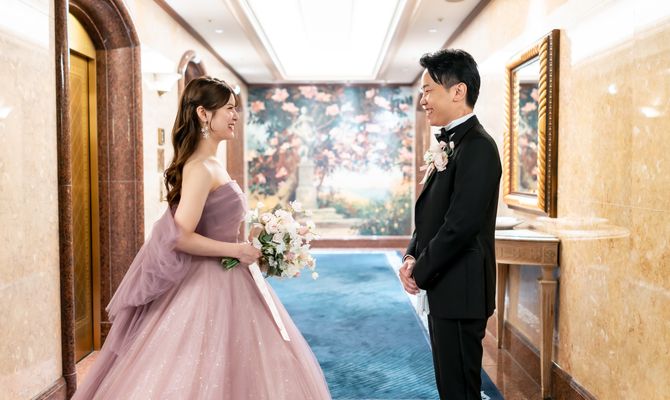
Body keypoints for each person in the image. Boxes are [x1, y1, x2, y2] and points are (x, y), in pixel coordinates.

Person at [73, 76, 331, 399]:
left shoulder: (212, 164)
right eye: (229, 108)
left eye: (235, 108)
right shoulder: (200, 168)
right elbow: (180, 237)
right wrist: (237, 250)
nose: (235, 115)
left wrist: (255, 241)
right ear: (203, 113)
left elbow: (216, 223)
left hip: (231, 276)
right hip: (206, 283)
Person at [399, 49, 502, 399]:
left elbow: (460, 225)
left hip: (462, 290)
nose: (423, 100)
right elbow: (433, 212)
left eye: (428, 90)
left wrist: (420, 271)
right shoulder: (452, 143)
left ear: (458, 91)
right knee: (450, 386)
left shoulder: (478, 147)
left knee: (460, 390)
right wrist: (411, 255)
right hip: (447, 285)